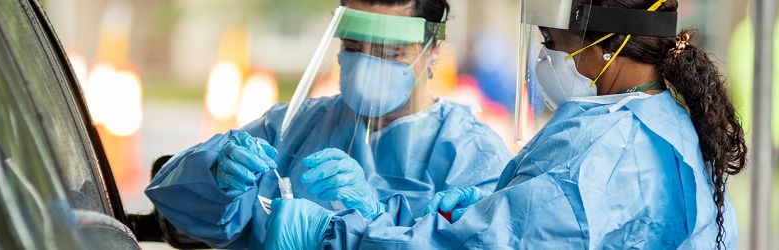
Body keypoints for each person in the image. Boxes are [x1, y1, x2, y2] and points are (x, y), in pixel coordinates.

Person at [264, 0, 748, 249]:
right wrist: (489, 205)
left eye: (550, 39)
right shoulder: (661, 121)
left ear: (608, 45)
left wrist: (331, 234)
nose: (545, 53)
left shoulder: (598, 155)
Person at [145, 0, 513, 248]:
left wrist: (375, 222)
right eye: (353, 48)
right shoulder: (293, 126)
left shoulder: (470, 155)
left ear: (433, 52)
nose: (368, 64)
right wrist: (215, 177)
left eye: (390, 52)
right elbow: (184, 208)